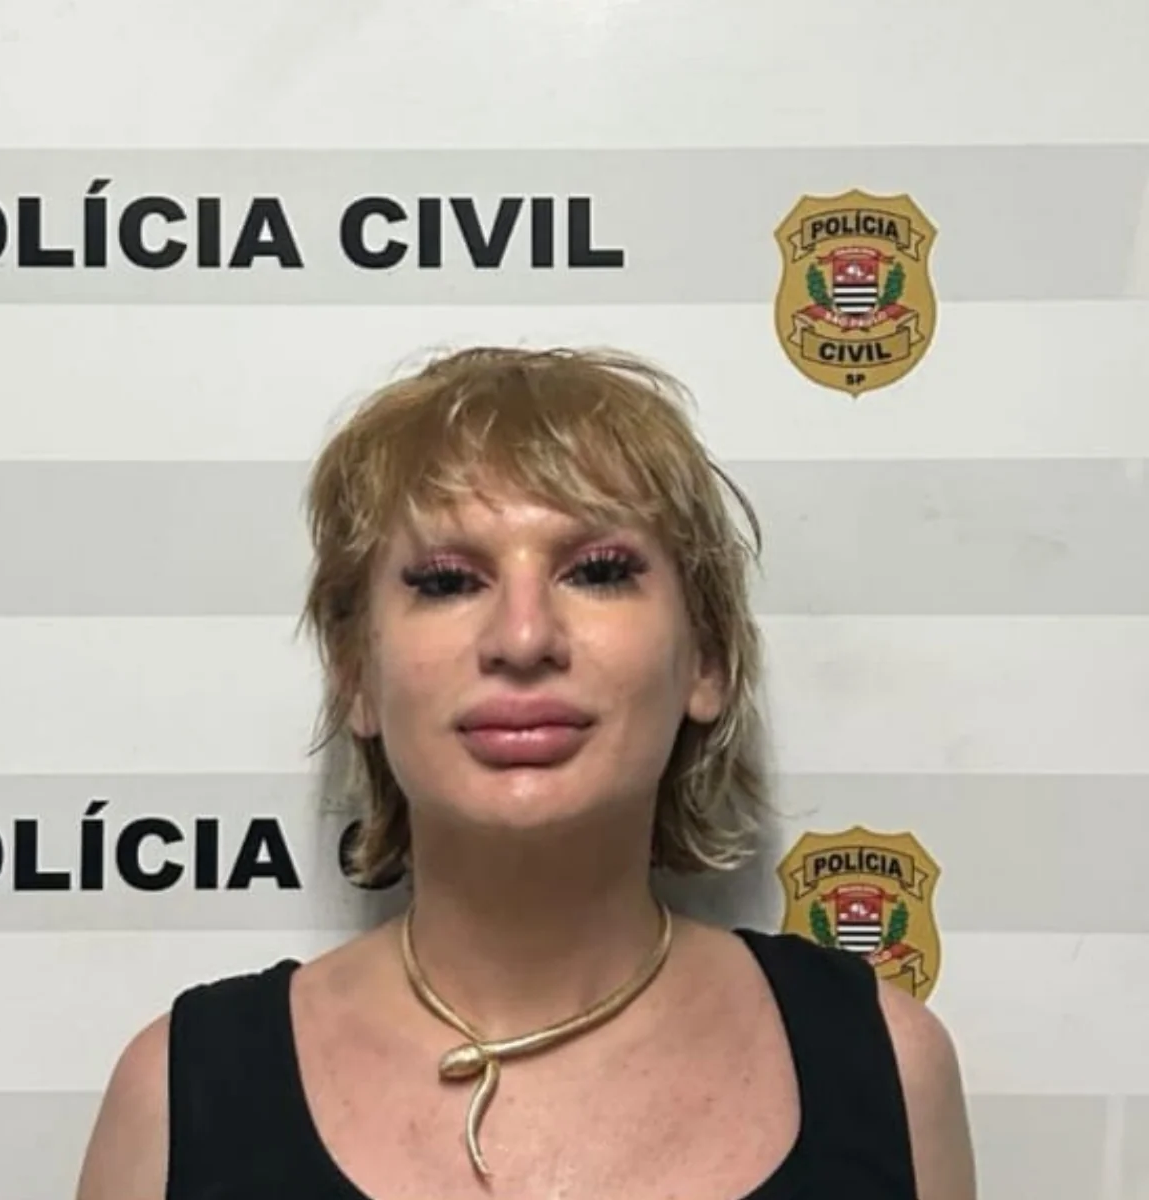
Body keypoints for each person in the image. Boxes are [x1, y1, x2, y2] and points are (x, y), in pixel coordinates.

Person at [75, 346, 976, 1200]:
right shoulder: (180, 1093)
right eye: (446, 581)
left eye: (598, 571)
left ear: (706, 659)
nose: (522, 637)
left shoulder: (886, 1068)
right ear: (356, 676)